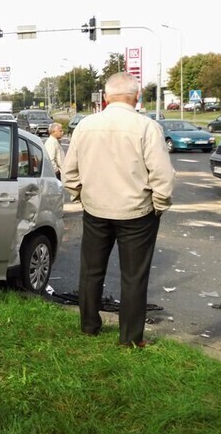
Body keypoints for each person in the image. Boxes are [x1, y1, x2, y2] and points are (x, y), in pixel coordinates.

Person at [61, 72, 175, 348]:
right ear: (137, 98)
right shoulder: (147, 127)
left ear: (106, 97)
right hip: (137, 213)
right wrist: (158, 206)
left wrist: (81, 197)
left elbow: (69, 172)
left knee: (91, 270)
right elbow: (162, 175)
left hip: (96, 210)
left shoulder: (86, 126)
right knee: (134, 277)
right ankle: (129, 338)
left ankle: (89, 326)